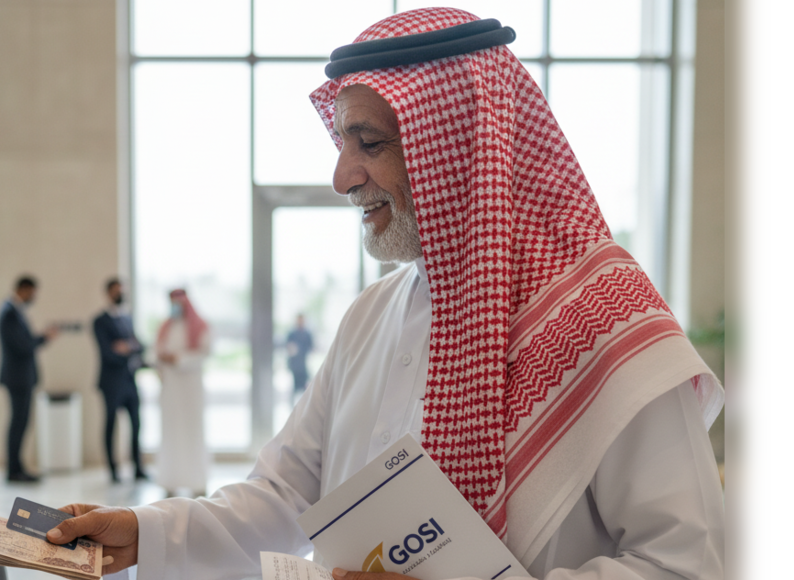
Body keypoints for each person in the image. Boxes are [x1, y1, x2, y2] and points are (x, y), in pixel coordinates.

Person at [47, 9, 725, 580]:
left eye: (368, 143)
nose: (342, 176)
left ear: (459, 147)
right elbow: (286, 496)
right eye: (343, 142)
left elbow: (681, 565)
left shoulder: (607, 321)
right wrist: (143, 532)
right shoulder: (372, 314)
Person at [0, 275, 58, 483]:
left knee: (21, 423)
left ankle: (17, 467)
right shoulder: (9, 313)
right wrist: (44, 338)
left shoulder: (14, 311)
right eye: (32, 293)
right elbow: (22, 345)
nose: (33, 297)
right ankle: (13, 470)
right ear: (23, 289)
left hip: (21, 378)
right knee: (18, 423)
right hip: (17, 378)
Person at [154, 289, 211, 497]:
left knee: (192, 432)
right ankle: (170, 481)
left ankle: (196, 481)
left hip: (191, 388)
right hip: (171, 389)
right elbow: (155, 352)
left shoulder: (200, 326)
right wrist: (162, 359)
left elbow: (204, 353)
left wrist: (178, 359)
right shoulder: (166, 327)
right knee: (171, 433)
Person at [93, 277, 147, 483]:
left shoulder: (127, 318)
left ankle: (138, 467)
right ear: (108, 293)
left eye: (122, 290)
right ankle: (113, 469)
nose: (120, 294)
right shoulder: (100, 321)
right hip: (111, 382)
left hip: (129, 380)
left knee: (136, 424)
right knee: (110, 425)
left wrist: (126, 347)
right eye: (116, 290)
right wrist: (126, 349)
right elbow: (107, 353)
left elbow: (140, 345)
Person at [286, 314, 314, 396]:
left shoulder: (307, 334)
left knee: (304, 386)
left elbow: (311, 347)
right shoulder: (292, 334)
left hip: (303, 364)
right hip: (294, 365)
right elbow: (288, 346)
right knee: (294, 387)